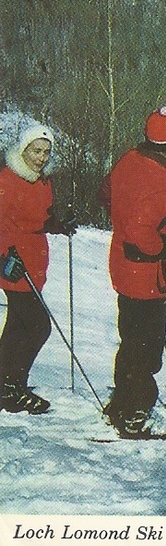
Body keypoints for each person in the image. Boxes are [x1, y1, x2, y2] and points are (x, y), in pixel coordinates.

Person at [98, 106, 166, 440]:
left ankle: (121, 402)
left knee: (131, 337)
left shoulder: (128, 159)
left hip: (123, 267)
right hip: (147, 273)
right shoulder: (159, 176)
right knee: (147, 345)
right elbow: (141, 227)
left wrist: (125, 226)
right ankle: (135, 410)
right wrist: (161, 247)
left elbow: (106, 194)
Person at [0, 122, 76, 415]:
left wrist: (57, 225)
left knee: (18, 326)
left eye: (46, 152)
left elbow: (37, 218)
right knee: (38, 326)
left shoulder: (42, 181)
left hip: (33, 263)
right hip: (12, 263)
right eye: (36, 150)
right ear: (23, 149)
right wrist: (3, 258)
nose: (41, 157)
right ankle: (11, 388)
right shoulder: (7, 180)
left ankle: (7, 386)